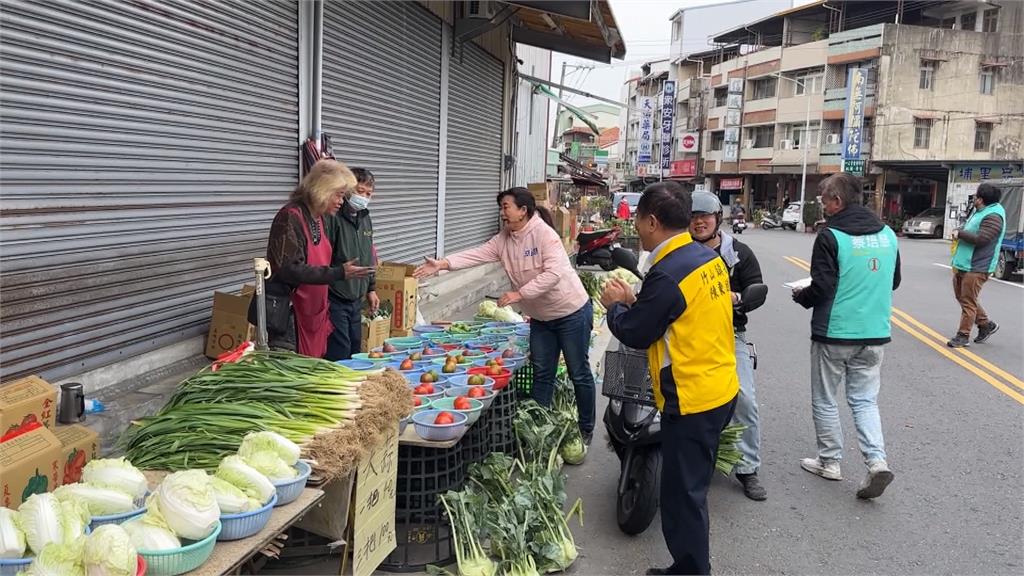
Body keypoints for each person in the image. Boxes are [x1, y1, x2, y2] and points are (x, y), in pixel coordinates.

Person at [601, 181, 738, 576]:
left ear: (653, 221)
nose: (637, 228)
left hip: (692, 398)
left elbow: (638, 333)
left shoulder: (667, 272)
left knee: (683, 496)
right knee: (691, 489)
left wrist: (615, 308)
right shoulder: (703, 258)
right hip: (720, 386)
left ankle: (692, 571)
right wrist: (635, 299)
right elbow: (676, 310)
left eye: (639, 220)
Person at [413, 188, 597, 446]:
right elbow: (476, 254)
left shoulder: (544, 235)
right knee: (543, 372)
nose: (502, 213)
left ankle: (586, 428)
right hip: (542, 319)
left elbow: (554, 273)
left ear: (523, 211)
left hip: (571, 313)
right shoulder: (503, 240)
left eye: (506, 207)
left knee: (579, 373)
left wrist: (518, 294)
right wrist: (443, 264)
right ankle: (540, 426)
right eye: (501, 208)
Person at [791, 173, 901, 500]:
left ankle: (830, 462)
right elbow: (893, 281)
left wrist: (802, 296)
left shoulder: (831, 236)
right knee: (865, 400)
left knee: (825, 397)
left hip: (835, 332)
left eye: (824, 200)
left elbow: (822, 287)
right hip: (875, 333)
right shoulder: (888, 235)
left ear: (837, 202)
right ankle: (877, 461)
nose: (822, 207)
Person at [689, 191, 768, 501]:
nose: (699, 222)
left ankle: (748, 468)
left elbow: (756, 289)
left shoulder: (739, 254)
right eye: (693, 217)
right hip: (684, 335)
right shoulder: (678, 251)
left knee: (744, 397)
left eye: (705, 217)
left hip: (726, 335)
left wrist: (739, 299)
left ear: (717, 219)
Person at [265, 160, 373, 358]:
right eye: (339, 195)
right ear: (323, 190)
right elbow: (289, 269)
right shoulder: (290, 217)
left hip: (315, 313)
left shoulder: (318, 218)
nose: (342, 201)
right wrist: (339, 272)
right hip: (290, 318)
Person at [324, 168, 379, 361]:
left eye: (368, 194)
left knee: (356, 347)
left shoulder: (365, 218)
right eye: (359, 191)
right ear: (346, 190)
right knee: (340, 349)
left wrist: (371, 288)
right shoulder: (332, 218)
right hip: (335, 296)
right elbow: (322, 258)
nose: (363, 197)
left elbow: (369, 255)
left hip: (357, 297)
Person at [947, 183, 1005, 348]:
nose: (974, 198)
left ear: (981, 199)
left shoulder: (994, 215)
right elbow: (969, 227)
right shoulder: (980, 211)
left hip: (978, 265)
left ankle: (963, 335)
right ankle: (986, 325)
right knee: (963, 297)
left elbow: (982, 239)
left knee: (967, 301)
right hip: (964, 263)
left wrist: (961, 234)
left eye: (976, 196)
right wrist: (960, 230)